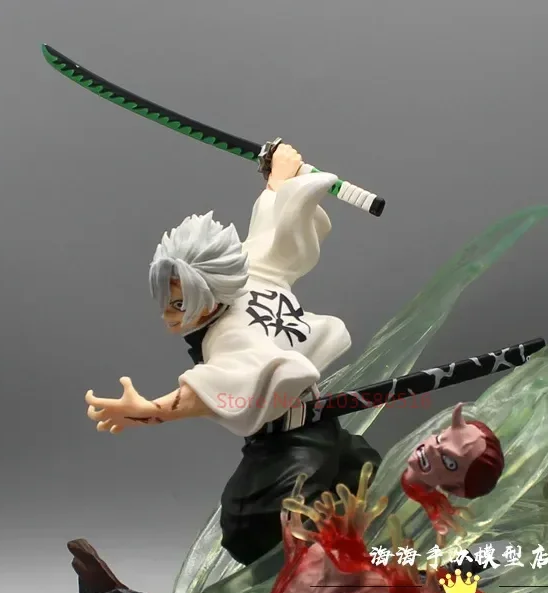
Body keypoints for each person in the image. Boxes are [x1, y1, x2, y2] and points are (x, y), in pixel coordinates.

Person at [85, 144, 381, 565]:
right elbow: (271, 234)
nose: (168, 316)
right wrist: (279, 179)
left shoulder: (230, 334)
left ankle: (327, 578)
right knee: (346, 487)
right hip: (315, 425)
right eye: (167, 302)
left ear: (209, 295)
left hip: (291, 441)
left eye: (180, 304)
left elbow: (217, 384)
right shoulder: (250, 274)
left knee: (248, 525)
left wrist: (152, 410)